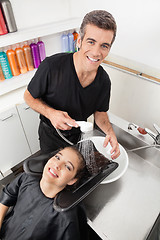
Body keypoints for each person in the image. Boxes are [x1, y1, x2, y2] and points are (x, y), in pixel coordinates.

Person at [24, 10, 120, 159]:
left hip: (78, 137)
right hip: (50, 137)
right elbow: (29, 96)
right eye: (91, 42)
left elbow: (100, 113)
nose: (96, 52)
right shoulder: (51, 66)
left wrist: (110, 133)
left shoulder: (104, 81)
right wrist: (51, 114)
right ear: (79, 41)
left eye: (104, 46)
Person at [0, 146, 88, 240]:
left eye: (67, 167)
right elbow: (6, 197)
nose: (57, 165)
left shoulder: (65, 217)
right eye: (57, 157)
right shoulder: (27, 178)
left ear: (72, 180)